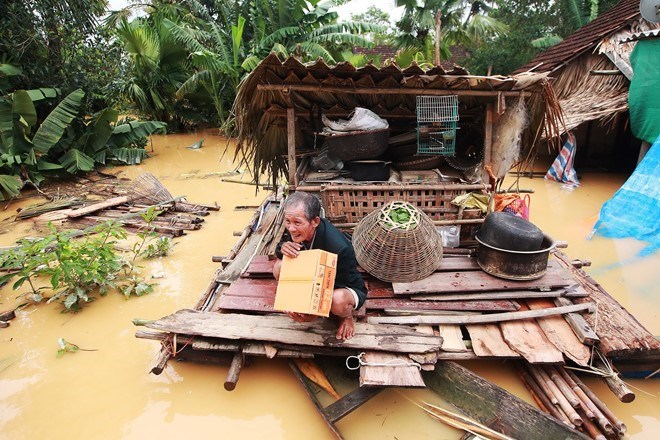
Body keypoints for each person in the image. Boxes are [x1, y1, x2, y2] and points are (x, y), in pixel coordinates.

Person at [273, 191, 366, 340]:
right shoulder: (294, 228)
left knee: (338, 300)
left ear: (315, 221)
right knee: (279, 266)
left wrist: (313, 313)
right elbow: (280, 249)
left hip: (340, 284)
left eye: (297, 223)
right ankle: (293, 299)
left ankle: (347, 318)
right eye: (287, 221)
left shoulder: (339, 248)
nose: (291, 228)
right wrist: (282, 247)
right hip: (314, 275)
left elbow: (337, 283)